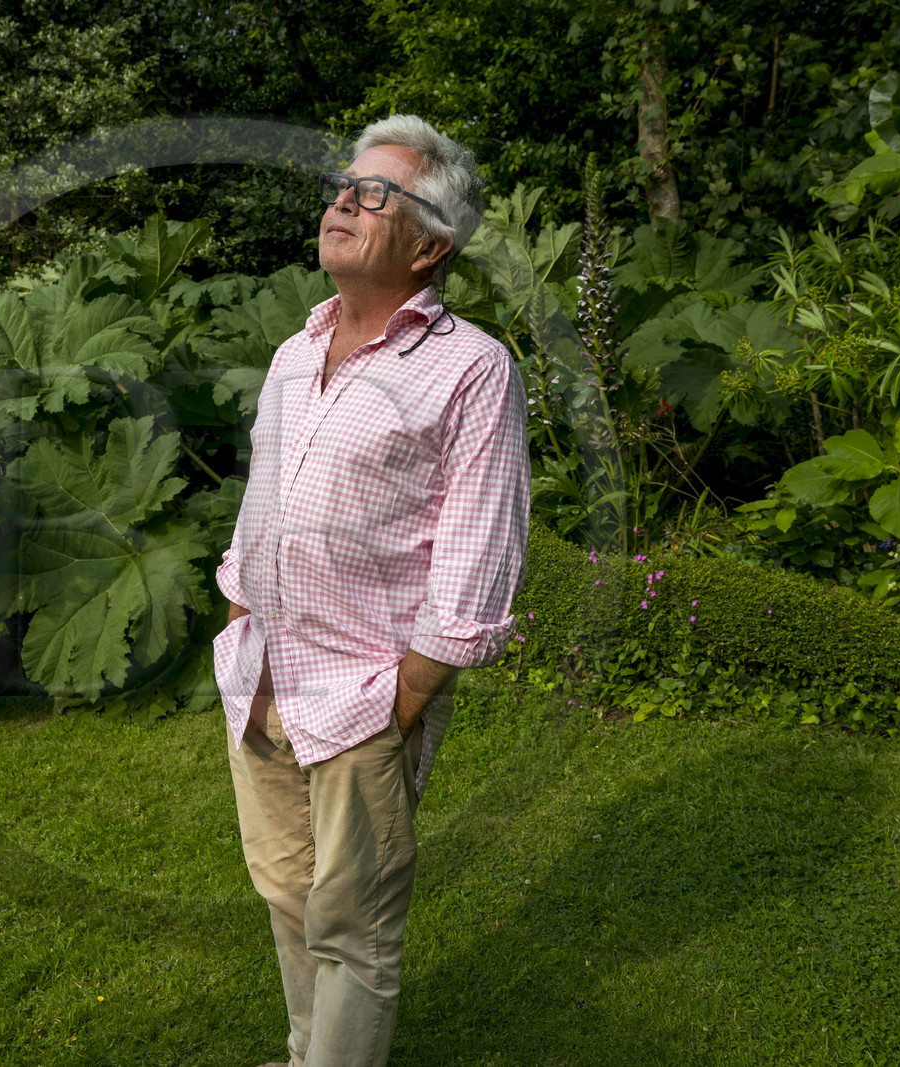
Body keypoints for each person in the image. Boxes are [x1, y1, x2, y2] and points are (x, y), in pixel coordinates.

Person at [211, 114, 531, 1067]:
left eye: (375, 192)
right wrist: (237, 605)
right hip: (263, 671)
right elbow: (264, 492)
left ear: (431, 243)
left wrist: (409, 696)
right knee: (286, 890)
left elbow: (480, 547)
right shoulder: (294, 351)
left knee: (352, 923)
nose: (343, 201)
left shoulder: (471, 368)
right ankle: (314, 1055)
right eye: (345, 185)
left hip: (362, 695)